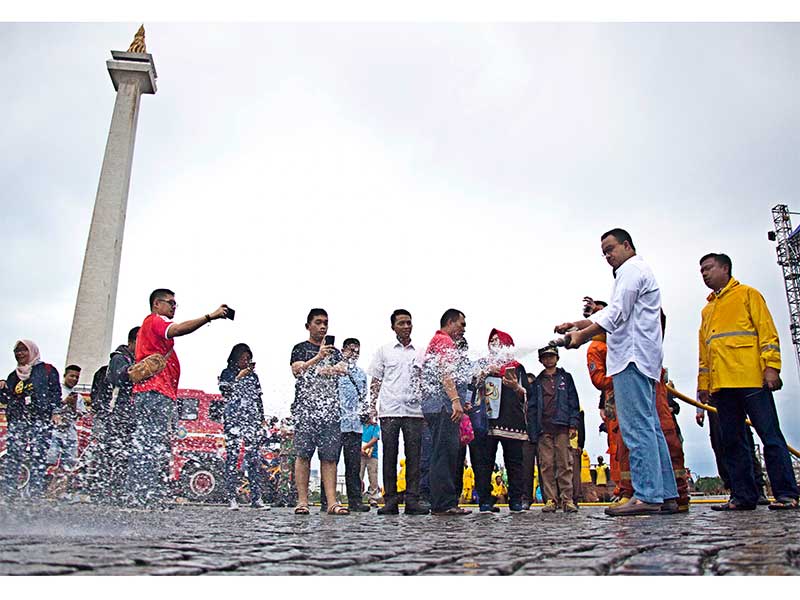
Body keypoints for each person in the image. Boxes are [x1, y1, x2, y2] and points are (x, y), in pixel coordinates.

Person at [556, 228, 679, 516]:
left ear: (627, 245)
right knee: (650, 428)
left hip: (630, 359)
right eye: (604, 253)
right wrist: (575, 324)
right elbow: (611, 312)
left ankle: (647, 494)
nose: (608, 256)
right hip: (643, 358)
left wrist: (581, 337)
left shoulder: (630, 271)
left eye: (611, 248)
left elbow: (615, 314)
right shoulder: (635, 272)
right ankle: (667, 493)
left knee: (636, 428)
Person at [697, 252, 799, 510]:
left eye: (709, 268)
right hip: (722, 386)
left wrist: (771, 368)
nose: (704, 274)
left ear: (725, 268)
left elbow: (767, 333)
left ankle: (787, 494)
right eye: (701, 271)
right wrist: (703, 385)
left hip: (751, 379)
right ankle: (743, 496)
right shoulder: (707, 310)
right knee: (732, 441)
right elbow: (705, 351)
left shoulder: (747, 295)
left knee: (770, 436)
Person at [127, 288, 229, 509]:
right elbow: (178, 330)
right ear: (156, 304)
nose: (174, 307)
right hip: (154, 394)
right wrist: (209, 317)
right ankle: (141, 496)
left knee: (153, 445)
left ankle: (146, 494)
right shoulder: (155, 321)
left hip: (158, 394)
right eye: (170, 302)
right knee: (150, 445)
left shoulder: (153, 328)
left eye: (175, 304)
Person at [367, 309, 429, 515]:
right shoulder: (384, 351)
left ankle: (413, 499)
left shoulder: (420, 351)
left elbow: (424, 381)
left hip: (414, 411)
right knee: (390, 455)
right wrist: (372, 406)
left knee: (414, 456)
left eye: (408, 322)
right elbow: (375, 380)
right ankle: (390, 500)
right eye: (401, 323)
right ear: (393, 326)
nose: (405, 326)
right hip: (389, 410)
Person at [290, 308, 349, 515]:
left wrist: (325, 368)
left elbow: (343, 369)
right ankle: (302, 501)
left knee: (330, 457)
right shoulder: (299, 348)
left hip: (330, 410)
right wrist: (318, 358)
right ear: (308, 326)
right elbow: (297, 371)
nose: (323, 326)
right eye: (318, 322)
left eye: (325, 322)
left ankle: (332, 502)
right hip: (305, 410)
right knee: (303, 454)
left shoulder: (335, 351)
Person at [472, 329, 530, 512]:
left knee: (515, 463)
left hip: (512, 421)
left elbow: (527, 395)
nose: (495, 344)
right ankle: (485, 500)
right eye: (492, 341)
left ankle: (515, 500)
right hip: (487, 421)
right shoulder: (483, 364)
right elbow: (472, 387)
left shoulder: (516, 367)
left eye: (499, 341)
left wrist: (516, 386)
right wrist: (486, 372)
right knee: (484, 462)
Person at [420, 308, 471, 515]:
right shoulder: (444, 341)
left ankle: (443, 502)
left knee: (442, 453)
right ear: (450, 322)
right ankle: (444, 504)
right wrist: (456, 401)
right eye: (462, 324)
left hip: (436, 406)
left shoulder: (438, 341)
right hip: (443, 407)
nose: (464, 330)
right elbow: (445, 371)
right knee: (444, 454)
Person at [0, 340, 61, 501]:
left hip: (40, 419)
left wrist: (55, 411)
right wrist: (2, 388)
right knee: (14, 455)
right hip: (18, 419)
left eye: (23, 350)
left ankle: (34, 493)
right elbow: (8, 399)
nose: (20, 354)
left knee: (38, 455)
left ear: (32, 351)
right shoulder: (13, 376)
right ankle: (9, 491)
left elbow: (55, 392)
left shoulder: (47, 370)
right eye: (17, 351)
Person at [527, 346, 580, 513]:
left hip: (562, 426)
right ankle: (550, 499)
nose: (548, 360)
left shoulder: (566, 378)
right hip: (544, 427)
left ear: (557, 358)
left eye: (551, 356)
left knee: (565, 464)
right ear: (540, 360)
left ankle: (567, 499)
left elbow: (573, 402)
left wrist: (573, 423)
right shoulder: (536, 383)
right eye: (545, 357)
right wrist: (534, 430)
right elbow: (532, 407)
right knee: (546, 465)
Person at [219, 343, 269, 510]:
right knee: (232, 458)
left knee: (254, 459)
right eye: (243, 358)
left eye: (248, 358)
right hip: (233, 420)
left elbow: (258, 398)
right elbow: (225, 392)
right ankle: (231, 498)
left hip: (251, 421)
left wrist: (261, 418)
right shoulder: (227, 373)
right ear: (235, 358)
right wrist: (240, 376)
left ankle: (256, 498)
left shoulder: (254, 377)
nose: (246, 361)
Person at [92, 326, 139, 505]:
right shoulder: (120, 358)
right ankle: (104, 491)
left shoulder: (132, 358)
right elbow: (120, 379)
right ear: (132, 342)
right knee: (111, 454)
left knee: (123, 456)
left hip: (127, 416)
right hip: (117, 415)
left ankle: (117, 491)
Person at [695, 401, 769, 504]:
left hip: (735, 395)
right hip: (714, 399)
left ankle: (757, 488)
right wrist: (700, 409)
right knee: (720, 445)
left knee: (744, 442)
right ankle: (735, 490)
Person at [335, 337, 370, 512]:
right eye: (350, 349)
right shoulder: (336, 371)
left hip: (355, 426)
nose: (353, 353)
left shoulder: (361, 374)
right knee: (331, 461)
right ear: (343, 351)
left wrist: (367, 413)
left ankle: (355, 500)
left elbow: (364, 398)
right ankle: (329, 499)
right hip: (337, 424)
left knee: (354, 465)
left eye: (357, 350)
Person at [46, 365, 86, 481]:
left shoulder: (78, 396)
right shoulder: (56, 391)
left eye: (77, 377)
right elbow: (51, 409)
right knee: (50, 461)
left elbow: (79, 416)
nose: (74, 379)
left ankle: (59, 489)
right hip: (55, 433)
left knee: (68, 465)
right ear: (64, 376)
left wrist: (73, 406)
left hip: (70, 434)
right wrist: (64, 402)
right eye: (71, 376)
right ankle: (44, 486)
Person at [520, 372, 539, 509]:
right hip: (525, 436)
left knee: (546, 467)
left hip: (540, 432)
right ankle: (526, 497)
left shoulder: (538, 399)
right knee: (526, 469)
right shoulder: (518, 399)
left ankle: (550, 497)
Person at [360, 417, 381, 507]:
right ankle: (358, 496)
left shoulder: (375, 426)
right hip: (360, 454)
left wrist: (364, 448)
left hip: (373, 454)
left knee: (373, 476)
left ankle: (373, 497)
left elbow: (375, 438)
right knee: (359, 475)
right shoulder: (360, 425)